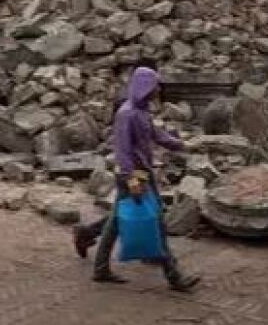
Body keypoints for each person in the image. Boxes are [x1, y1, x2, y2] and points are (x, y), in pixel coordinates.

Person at [72, 66, 200, 291]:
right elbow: (123, 152)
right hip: (132, 177)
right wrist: (132, 180)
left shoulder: (142, 111)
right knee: (155, 222)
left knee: (117, 221)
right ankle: (174, 275)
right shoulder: (127, 114)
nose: (158, 89)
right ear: (145, 87)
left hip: (144, 174)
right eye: (155, 85)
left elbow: (156, 135)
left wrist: (181, 144)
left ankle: (94, 252)